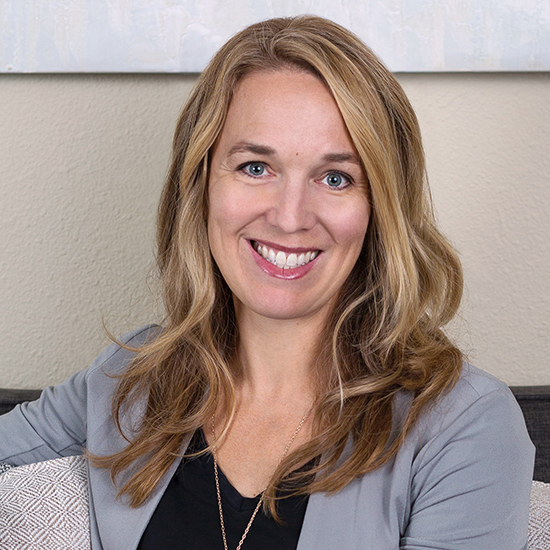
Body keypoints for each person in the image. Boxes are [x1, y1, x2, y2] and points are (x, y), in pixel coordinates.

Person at [0, 14, 534, 550]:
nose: (289, 216)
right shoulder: (130, 379)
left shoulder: (464, 427)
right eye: (256, 167)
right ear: (202, 182)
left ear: (380, 209)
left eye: (335, 178)